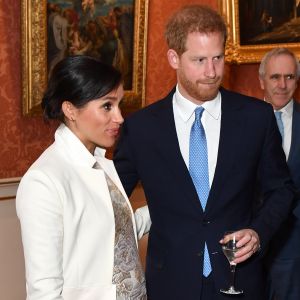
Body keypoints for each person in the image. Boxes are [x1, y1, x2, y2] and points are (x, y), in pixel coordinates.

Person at [113, 5, 295, 300]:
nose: (212, 72)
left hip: (241, 282)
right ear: (174, 58)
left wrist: (258, 231)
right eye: (199, 60)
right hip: (170, 285)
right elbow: (112, 198)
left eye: (218, 58)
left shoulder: (256, 118)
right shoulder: (141, 128)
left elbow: (282, 190)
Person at [16, 55, 150, 300]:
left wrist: (167, 202)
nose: (120, 117)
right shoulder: (43, 181)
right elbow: (44, 292)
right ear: (70, 110)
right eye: (107, 106)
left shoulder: (100, 163)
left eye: (119, 105)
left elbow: (116, 231)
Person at [259, 47, 300, 300]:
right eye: (275, 77)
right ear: (261, 80)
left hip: (294, 248)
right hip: (248, 245)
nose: (282, 85)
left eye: (290, 77)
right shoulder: (240, 122)